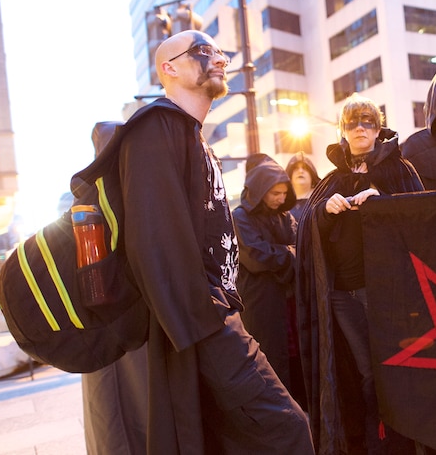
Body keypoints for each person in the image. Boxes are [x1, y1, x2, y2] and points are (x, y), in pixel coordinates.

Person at [115, 30, 313, 453]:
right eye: (204, 51)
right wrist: (207, 325)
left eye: (220, 51)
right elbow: (155, 241)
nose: (220, 59)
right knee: (290, 429)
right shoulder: (154, 129)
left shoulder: (192, 136)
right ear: (168, 69)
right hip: (204, 324)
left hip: (214, 318)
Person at [295, 93, 425, 454]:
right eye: (352, 123)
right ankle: (376, 440)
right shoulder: (332, 179)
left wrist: (382, 197)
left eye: (367, 121)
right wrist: (323, 210)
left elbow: (422, 216)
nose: (360, 129)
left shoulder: (400, 170)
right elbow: (306, 228)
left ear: (378, 127)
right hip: (343, 296)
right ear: (343, 131)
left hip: (388, 290)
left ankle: (403, 439)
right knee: (365, 374)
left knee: (397, 368)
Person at [81, 121, 148, 455]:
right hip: (121, 319)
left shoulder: (86, 196)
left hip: (117, 321)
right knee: (122, 406)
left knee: (122, 409)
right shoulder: (101, 198)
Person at [233, 153, 307, 411]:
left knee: (294, 357)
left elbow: (301, 249)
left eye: (282, 193)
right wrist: (286, 253)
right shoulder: (240, 217)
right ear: (260, 190)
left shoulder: (284, 216)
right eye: (274, 193)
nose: (279, 198)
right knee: (268, 360)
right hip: (260, 302)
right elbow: (256, 257)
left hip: (287, 302)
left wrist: (282, 254)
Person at [286, 151, 321, 222]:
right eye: (295, 168)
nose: (300, 171)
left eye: (305, 168)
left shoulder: (322, 197)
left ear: (312, 174)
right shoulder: (282, 201)